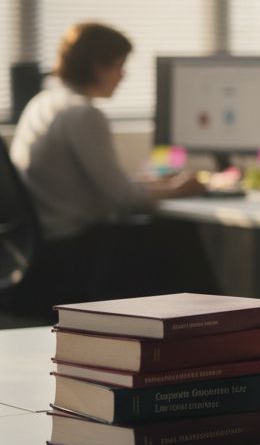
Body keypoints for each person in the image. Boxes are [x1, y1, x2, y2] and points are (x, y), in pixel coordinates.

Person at [7, 22, 212, 315]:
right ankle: (212, 319)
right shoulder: (83, 114)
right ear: (98, 66)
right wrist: (178, 188)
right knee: (177, 234)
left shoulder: (43, 103)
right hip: (75, 249)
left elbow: (102, 185)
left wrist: (152, 184)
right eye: (119, 66)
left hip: (41, 247)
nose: (122, 76)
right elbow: (124, 199)